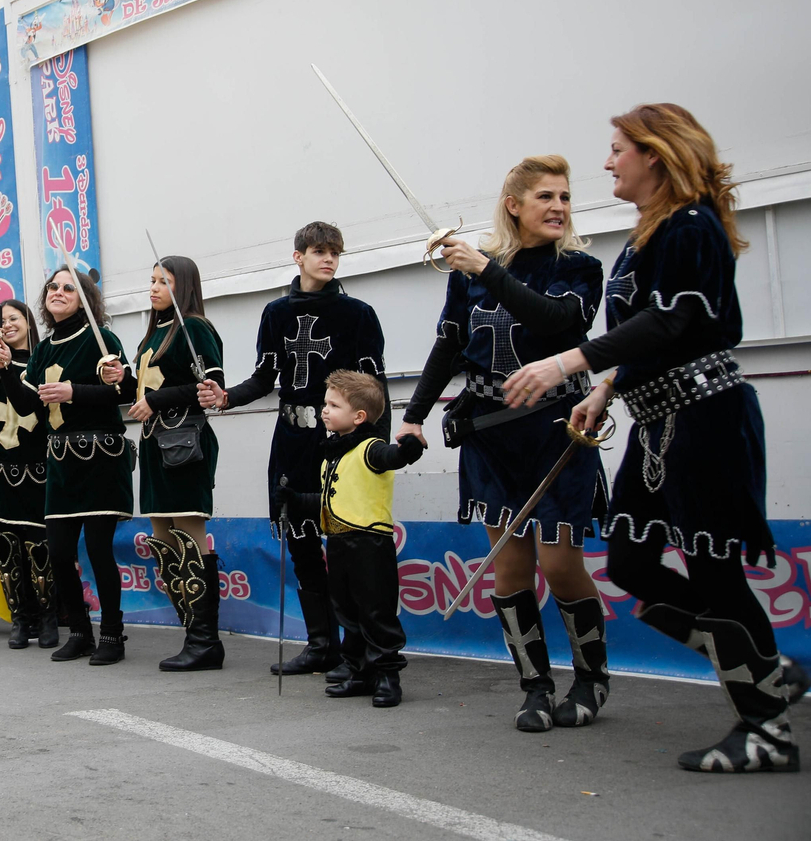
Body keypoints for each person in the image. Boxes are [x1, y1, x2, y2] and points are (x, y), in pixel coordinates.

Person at [504, 105, 805, 773]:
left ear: (655, 154)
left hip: (707, 419)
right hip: (656, 422)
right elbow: (647, 333)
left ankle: (767, 728)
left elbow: (675, 321)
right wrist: (606, 389)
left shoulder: (692, 225)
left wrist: (569, 362)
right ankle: (763, 667)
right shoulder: (648, 237)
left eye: (617, 150)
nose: (608, 163)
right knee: (634, 566)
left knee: (716, 574)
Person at [398, 156, 608, 733]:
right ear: (513, 205)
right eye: (546, 196)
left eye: (565, 197)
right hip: (491, 435)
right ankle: (534, 685)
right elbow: (448, 347)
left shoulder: (581, 269)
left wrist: (487, 269)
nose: (559, 207)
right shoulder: (467, 275)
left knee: (561, 563)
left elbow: (555, 323)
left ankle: (591, 677)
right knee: (509, 566)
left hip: (559, 429)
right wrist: (413, 417)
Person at [198, 222, 387, 679]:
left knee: (345, 546)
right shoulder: (275, 312)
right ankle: (319, 643)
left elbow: (374, 390)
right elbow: (265, 377)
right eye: (319, 251)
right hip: (291, 440)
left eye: (335, 253)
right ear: (298, 256)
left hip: (342, 445)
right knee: (301, 543)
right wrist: (228, 397)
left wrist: (373, 448)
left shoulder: (359, 314)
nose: (328, 260)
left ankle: (355, 649)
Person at [102, 255, 227, 671]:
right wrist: (119, 381)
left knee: (190, 537)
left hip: (186, 443)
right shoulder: (152, 335)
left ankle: (205, 640)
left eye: (164, 281)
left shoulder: (195, 328)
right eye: (152, 280)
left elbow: (211, 386)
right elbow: (136, 398)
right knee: (165, 542)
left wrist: (155, 400)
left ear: (184, 286)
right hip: (156, 446)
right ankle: (192, 631)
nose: (154, 287)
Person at [4, 267, 133, 665]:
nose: (58, 292)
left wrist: (73, 391)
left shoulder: (101, 338)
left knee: (97, 550)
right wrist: (4, 367)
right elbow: (27, 404)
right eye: (53, 287)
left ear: (84, 298)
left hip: (99, 459)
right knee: (58, 551)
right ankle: (79, 632)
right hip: (59, 462)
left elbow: (125, 391)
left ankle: (112, 635)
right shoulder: (43, 349)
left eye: (69, 288)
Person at [277, 371, 423, 708]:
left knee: (375, 610)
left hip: (369, 544)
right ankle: (359, 670)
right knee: (346, 610)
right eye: (325, 403)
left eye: (333, 405)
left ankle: (388, 674)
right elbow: (331, 501)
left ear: (359, 416)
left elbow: (392, 457)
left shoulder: (370, 448)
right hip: (339, 543)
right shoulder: (333, 454)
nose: (324, 410)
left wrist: (408, 450)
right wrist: (296, 500)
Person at [0, 299, 57, 650]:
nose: (7, 324)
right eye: (2, 320)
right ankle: (21, 617)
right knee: (6, 546)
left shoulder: (40, 360)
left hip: (35, 470)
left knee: (39, 546)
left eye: (14, 318)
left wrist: (6, 367)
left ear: (28, 322)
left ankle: (48, 616)